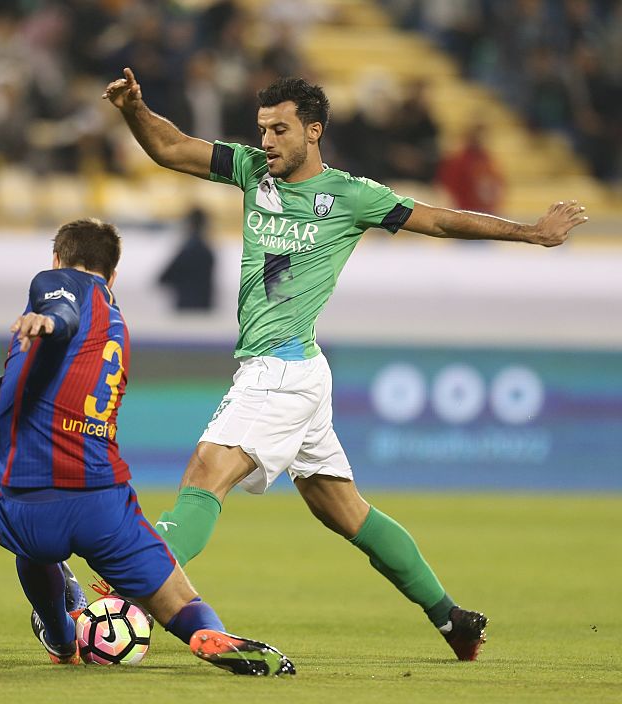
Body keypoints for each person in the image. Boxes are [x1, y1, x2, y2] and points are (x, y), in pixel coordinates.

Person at [103, 69, 589, 661]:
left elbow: (438, 220)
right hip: (300, 369)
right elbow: (171, 148)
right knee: (345, 510)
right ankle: (452, 618)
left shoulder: (353, 196)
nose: (267, 143)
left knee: (205, 477)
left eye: (280, 130)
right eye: (262, 130)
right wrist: (135, 109)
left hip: (280, 372)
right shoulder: (251, 170)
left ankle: (119, 594)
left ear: (314, 132)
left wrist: (532, 233)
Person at [0, 219, 296, 676]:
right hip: (99, 501)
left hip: (27, 501)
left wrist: (50, 320)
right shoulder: (117, 326)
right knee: (177, 599)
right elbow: (11, 390)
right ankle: (206, 630)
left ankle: (63, 639)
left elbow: (61, 310)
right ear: (114, 274)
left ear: (57, 259)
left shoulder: (56, 284)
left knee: (31, 551)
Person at [159, 206, 216, 311]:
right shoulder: (207, 250)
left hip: (187, 309)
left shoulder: (189, 249)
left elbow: (163, 277)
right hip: (203, 308)